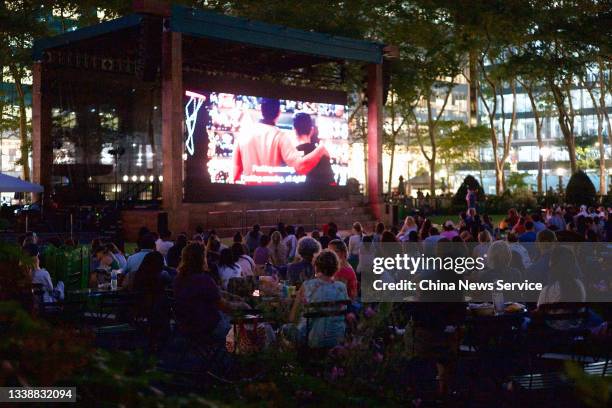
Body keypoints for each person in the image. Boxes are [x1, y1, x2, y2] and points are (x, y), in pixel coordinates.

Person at [232, 98, 330, 183]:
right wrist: (321, 150)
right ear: (279, 112)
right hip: (271, 198)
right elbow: (300, 167)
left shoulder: (243, 134)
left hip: (247, 195)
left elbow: (234, 176)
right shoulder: (280, 136)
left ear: (261, 110)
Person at [173, 243, 249, 344]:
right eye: (205, 256)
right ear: (200, 259)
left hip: (187, 326)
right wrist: (243, 305)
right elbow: (225, 307)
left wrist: (233, 297)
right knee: (250, 322)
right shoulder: (204, 280)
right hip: (208, 328)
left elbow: (215, 292)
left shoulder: (179, 279)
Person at [286, 250, 349, 348]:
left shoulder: (307, 285)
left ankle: (294, 360)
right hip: (337, 339)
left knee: (285, 329)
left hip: (312, 339)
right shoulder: (341, 287)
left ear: (316, 267)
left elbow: (292, 317)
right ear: (336, 268)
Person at [294, 112, 335, 185]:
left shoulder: (289, 155)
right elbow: (332, 185)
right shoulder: (322, 153)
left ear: (294, 130)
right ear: (312, 130)